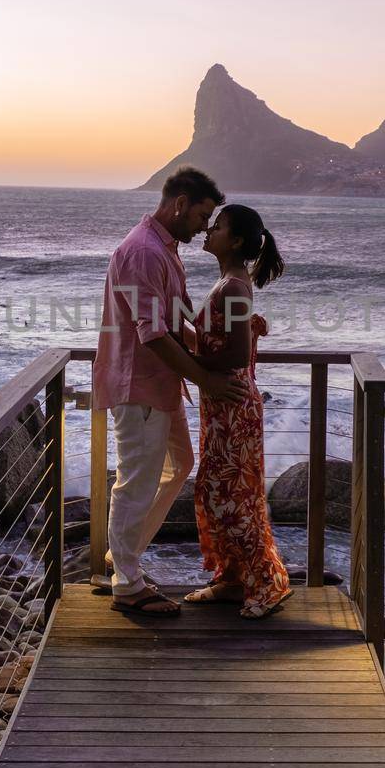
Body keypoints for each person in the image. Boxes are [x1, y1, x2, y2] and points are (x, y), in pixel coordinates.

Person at [91, 167, 248, 615]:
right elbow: (152, 333)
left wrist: (227, 340)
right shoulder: (143, 251)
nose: (204, 226)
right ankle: (127, 583)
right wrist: (206, 378)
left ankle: (123, 555)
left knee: (180, 464)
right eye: (202, 215)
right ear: (180, 204)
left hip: (162, 384)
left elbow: (177, 316)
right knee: (135, 483)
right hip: (137, 384)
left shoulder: (165, 248)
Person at [184, 203, 292, 619]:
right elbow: (228, 342)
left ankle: (266, 584)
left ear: (237, 241)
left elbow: (236, 352)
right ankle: (232, 579)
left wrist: (186, 360)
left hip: (231, 405)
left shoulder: (232, 287)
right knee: (221, 494)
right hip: (225, 405)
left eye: (220, 225)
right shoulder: (231, 283)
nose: (209, 230)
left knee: (231, 498)